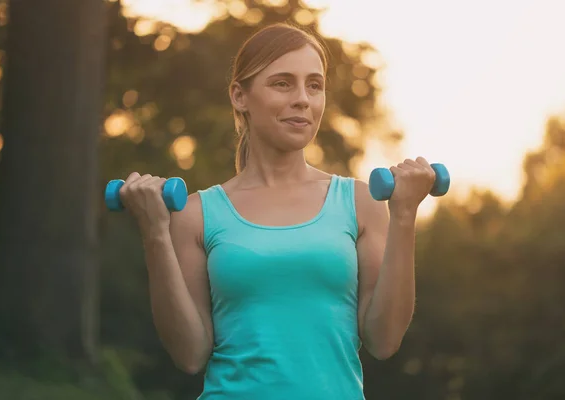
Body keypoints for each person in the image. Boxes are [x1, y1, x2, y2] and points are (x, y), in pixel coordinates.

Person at [118, 22, 436, 400]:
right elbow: (189, 354)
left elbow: (383, 341)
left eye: (314, 85)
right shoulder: (196, 214)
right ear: (240, 96)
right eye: (283, 83)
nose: (303, 99)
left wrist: (404, 216)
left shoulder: (361, 202)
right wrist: (155, 233)